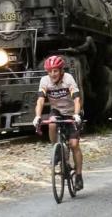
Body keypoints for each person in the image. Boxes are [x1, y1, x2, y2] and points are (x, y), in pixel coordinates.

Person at [33, 55, 84, 191]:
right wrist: (37, 116)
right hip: (57, 111)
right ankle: (56, 149)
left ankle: (78, 176)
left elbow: (77, 99)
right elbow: (40, 100)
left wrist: (77, 115)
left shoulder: (68, 79)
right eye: (49, 71)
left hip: (72, 112)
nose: (52, 74)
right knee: (52, 123)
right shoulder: (44, 81)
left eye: (55, 71)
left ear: (61, 71)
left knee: (74, 145)